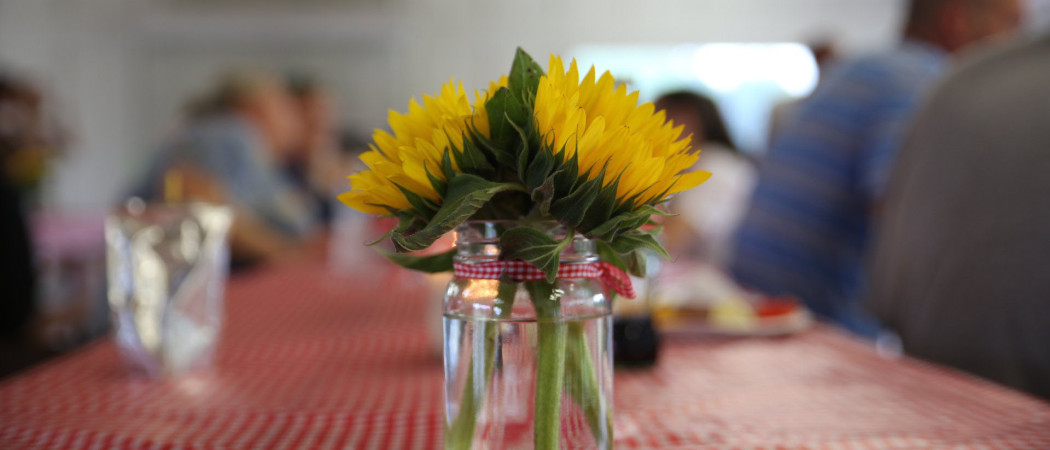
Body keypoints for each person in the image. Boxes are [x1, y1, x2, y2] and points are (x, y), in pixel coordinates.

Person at [729, 0, 1023, 336]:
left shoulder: (870, 66)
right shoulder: (923, 80)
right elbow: (902, 221)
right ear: (957, 22)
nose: (1018, 43)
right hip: (810, 325)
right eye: (1011, 24)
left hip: (755, 299)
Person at [868, 34, 1050, 399]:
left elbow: (887, 292)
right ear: (959, 19)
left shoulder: (960, 78)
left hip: (925, 383)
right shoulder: (915, 74)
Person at [134, 70, 320, 267]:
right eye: (283, 106)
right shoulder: (228, 133)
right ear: (251, 106)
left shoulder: (262, 155)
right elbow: (195, 200)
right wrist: (289, 255)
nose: (294, 120)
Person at [655, 91, 755, 266]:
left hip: (723, 281)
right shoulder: (682, 168)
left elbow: (671, 239)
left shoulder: (717, 166)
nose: (660, 127)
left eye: (672, 117)